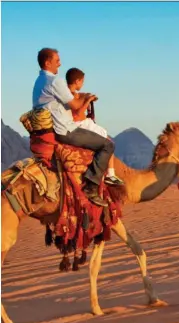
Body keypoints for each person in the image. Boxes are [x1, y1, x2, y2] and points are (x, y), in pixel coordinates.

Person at [32, 48, 120, 206]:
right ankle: (92, 187)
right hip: (65, 130)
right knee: (107, 144)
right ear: (47, 62)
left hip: (50, 130)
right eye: (57, 60)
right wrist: (87, 98)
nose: (60, 63)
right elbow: (75, 105)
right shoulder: (54, 81)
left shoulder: (39, 81)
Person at [65, 67, 123, 184]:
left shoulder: (68, 93)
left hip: (81, 122)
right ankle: (109, 174)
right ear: (77, 81)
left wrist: (87, 96)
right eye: (82, 82)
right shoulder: (68, 96)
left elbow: (79, 95)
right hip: (78, 124)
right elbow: (79, 113)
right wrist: (87, 101)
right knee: (108, 141)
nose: (82, 84)